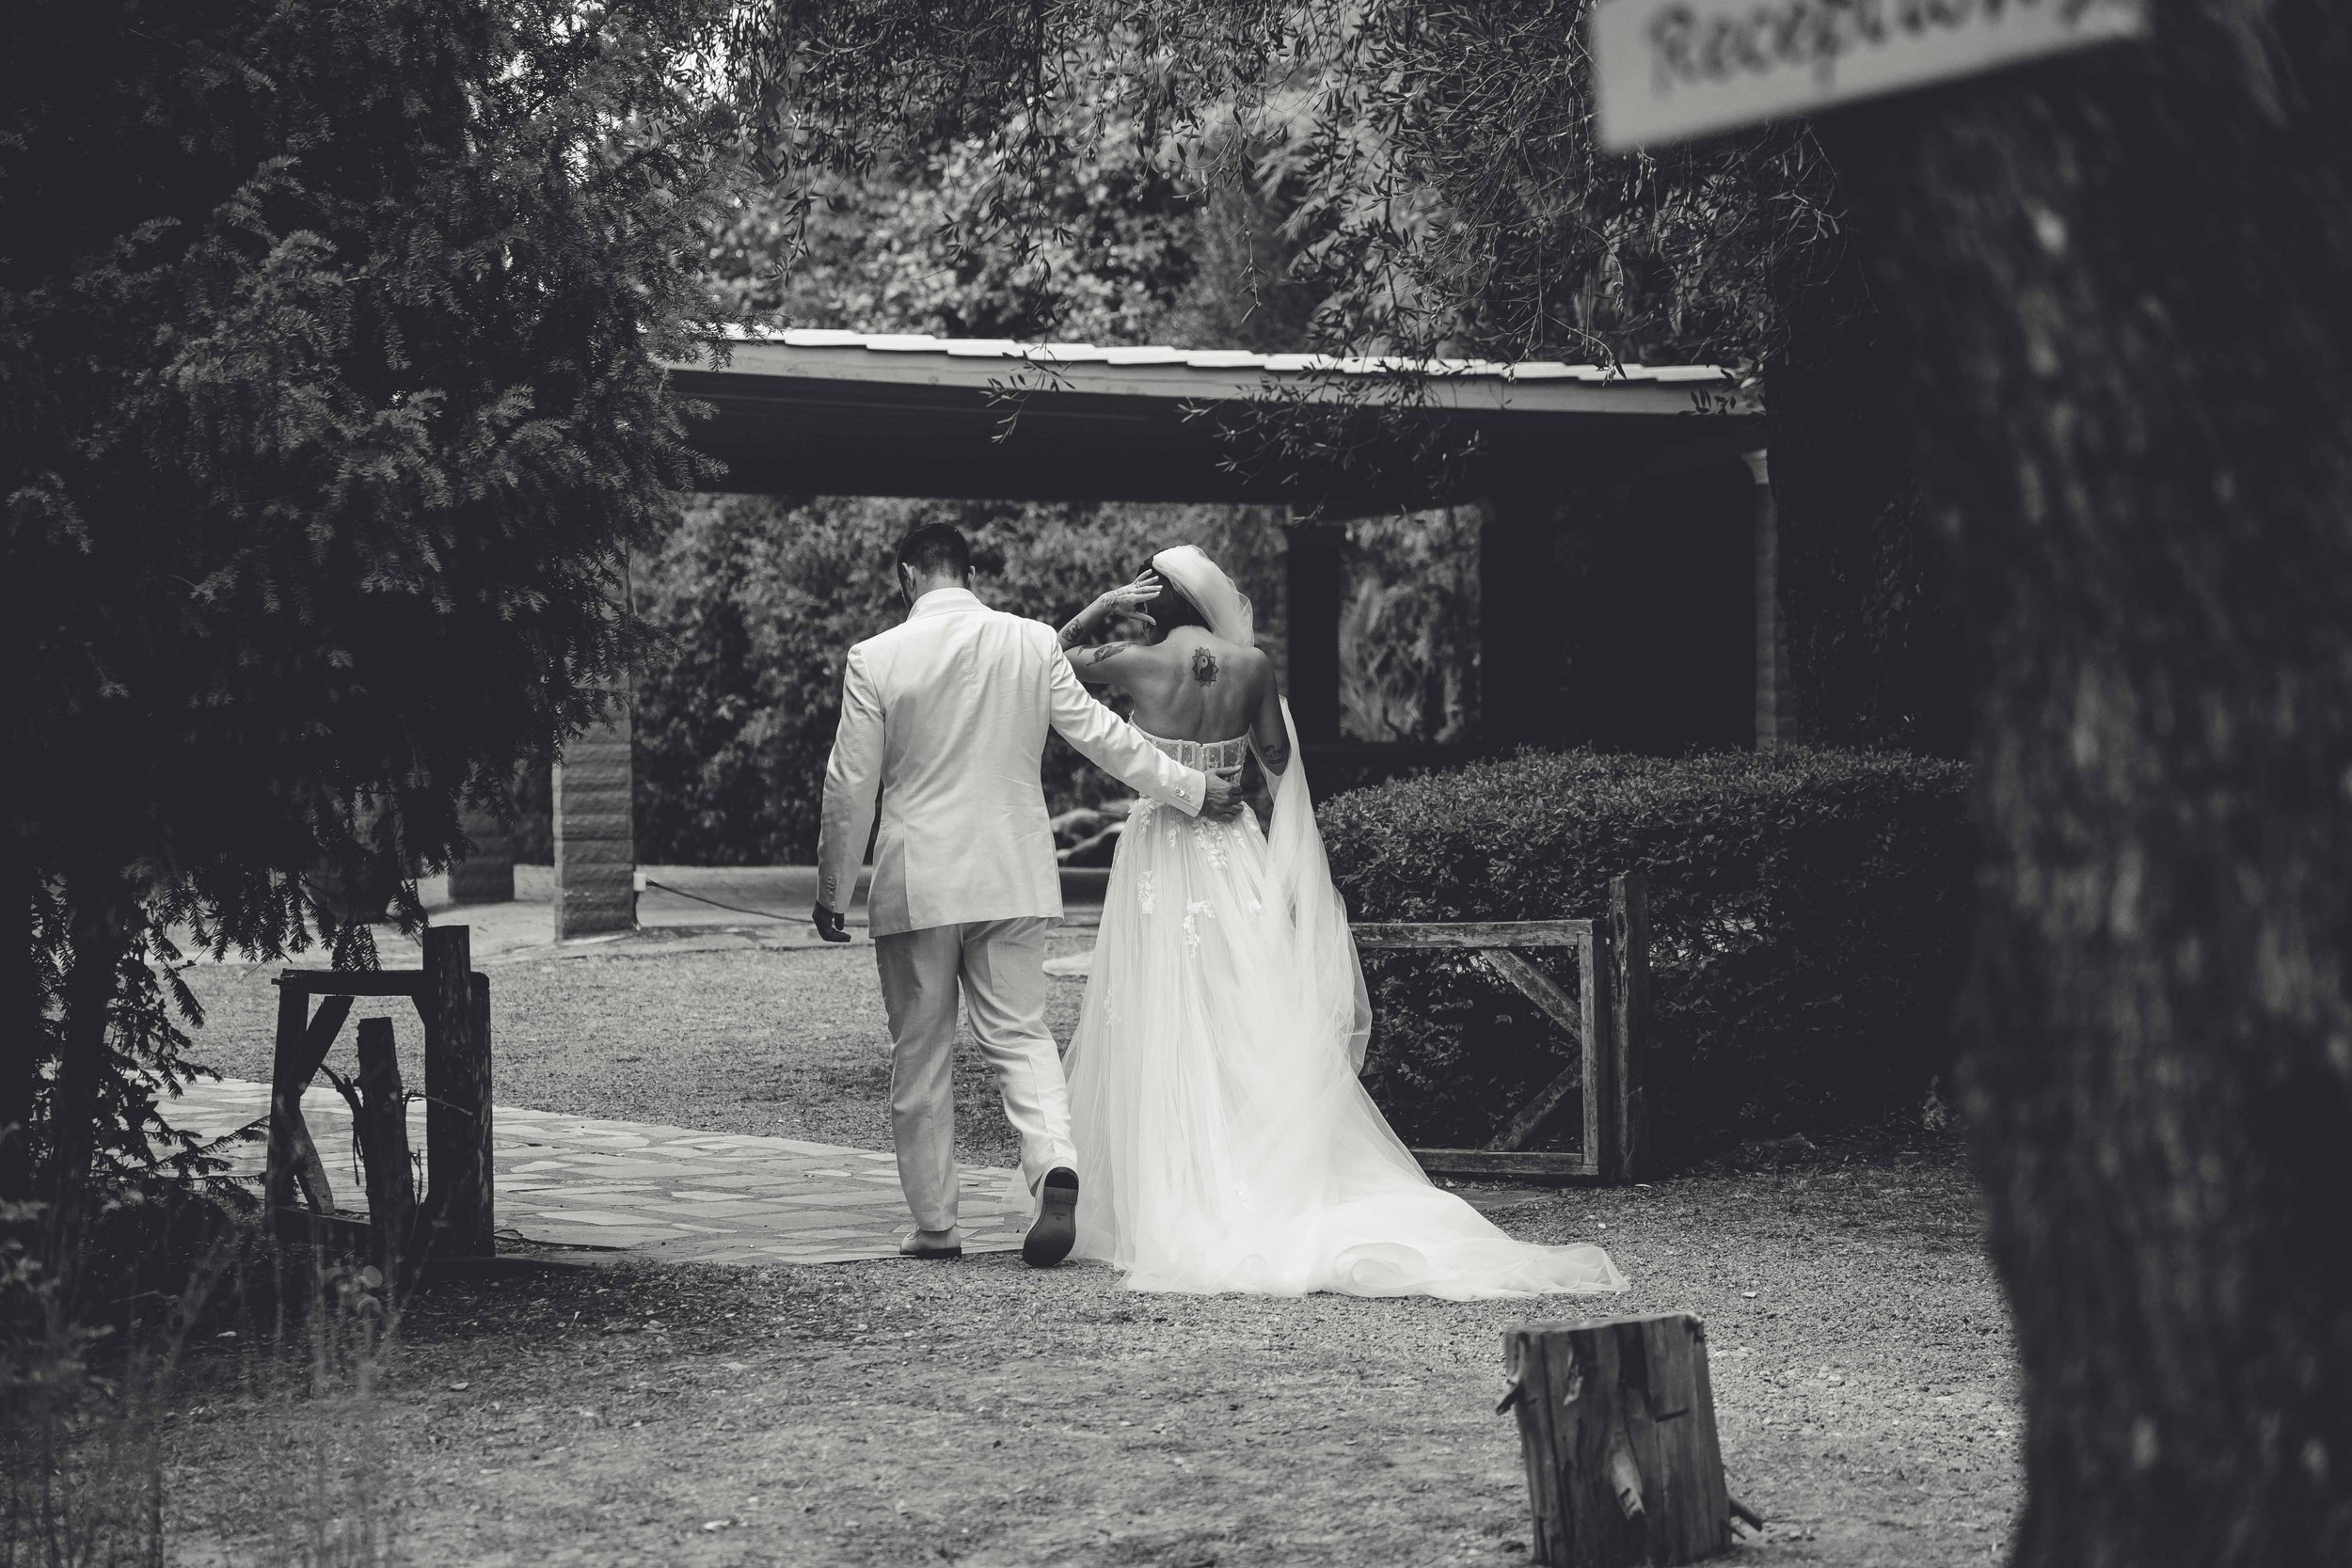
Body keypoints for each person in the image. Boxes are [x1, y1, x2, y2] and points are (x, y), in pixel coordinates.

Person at [1049, 545, 1628, 1298]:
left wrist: (1095, 609)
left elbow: (1048, 664)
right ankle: (1259, 1168)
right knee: (1245, 1007)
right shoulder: (1251, 665)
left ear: (1154, 603)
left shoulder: (1132, 662)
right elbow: (1277, 756)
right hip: (1231, 846)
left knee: (1167, 1009)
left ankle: (1175, 1183)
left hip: (1162, 847)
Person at [813, 525, 1247, 1267]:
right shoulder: (1029, 642)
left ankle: (937, 1226)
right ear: (973, 571)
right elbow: (1105, 739)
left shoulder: (875, 657)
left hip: (920, 878)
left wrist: (832, 888)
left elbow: (849, 784)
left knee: (920, 1052)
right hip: (1013, 872)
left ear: (908, 575)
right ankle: (1055, 1165)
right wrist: (1193, 788)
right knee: (1020, 1031)